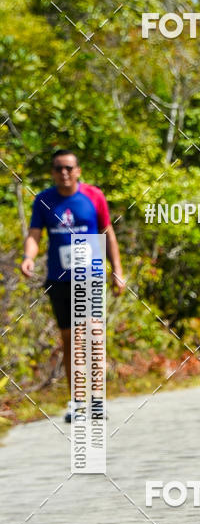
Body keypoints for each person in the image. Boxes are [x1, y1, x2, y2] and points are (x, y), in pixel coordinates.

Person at [20, 150, 125, 422]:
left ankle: (98, 400)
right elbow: (34, 234)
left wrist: (118, 271)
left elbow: (107, 233)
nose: (63, 173)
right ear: (52, 173)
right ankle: (77, 402)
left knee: (93, 335)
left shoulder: (93, 196)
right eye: (57, 168)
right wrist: (28, 257)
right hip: (59, 279)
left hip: (90, 276)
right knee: (71, 340)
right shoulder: (44, 200)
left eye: (68, 168)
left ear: (78, 170)